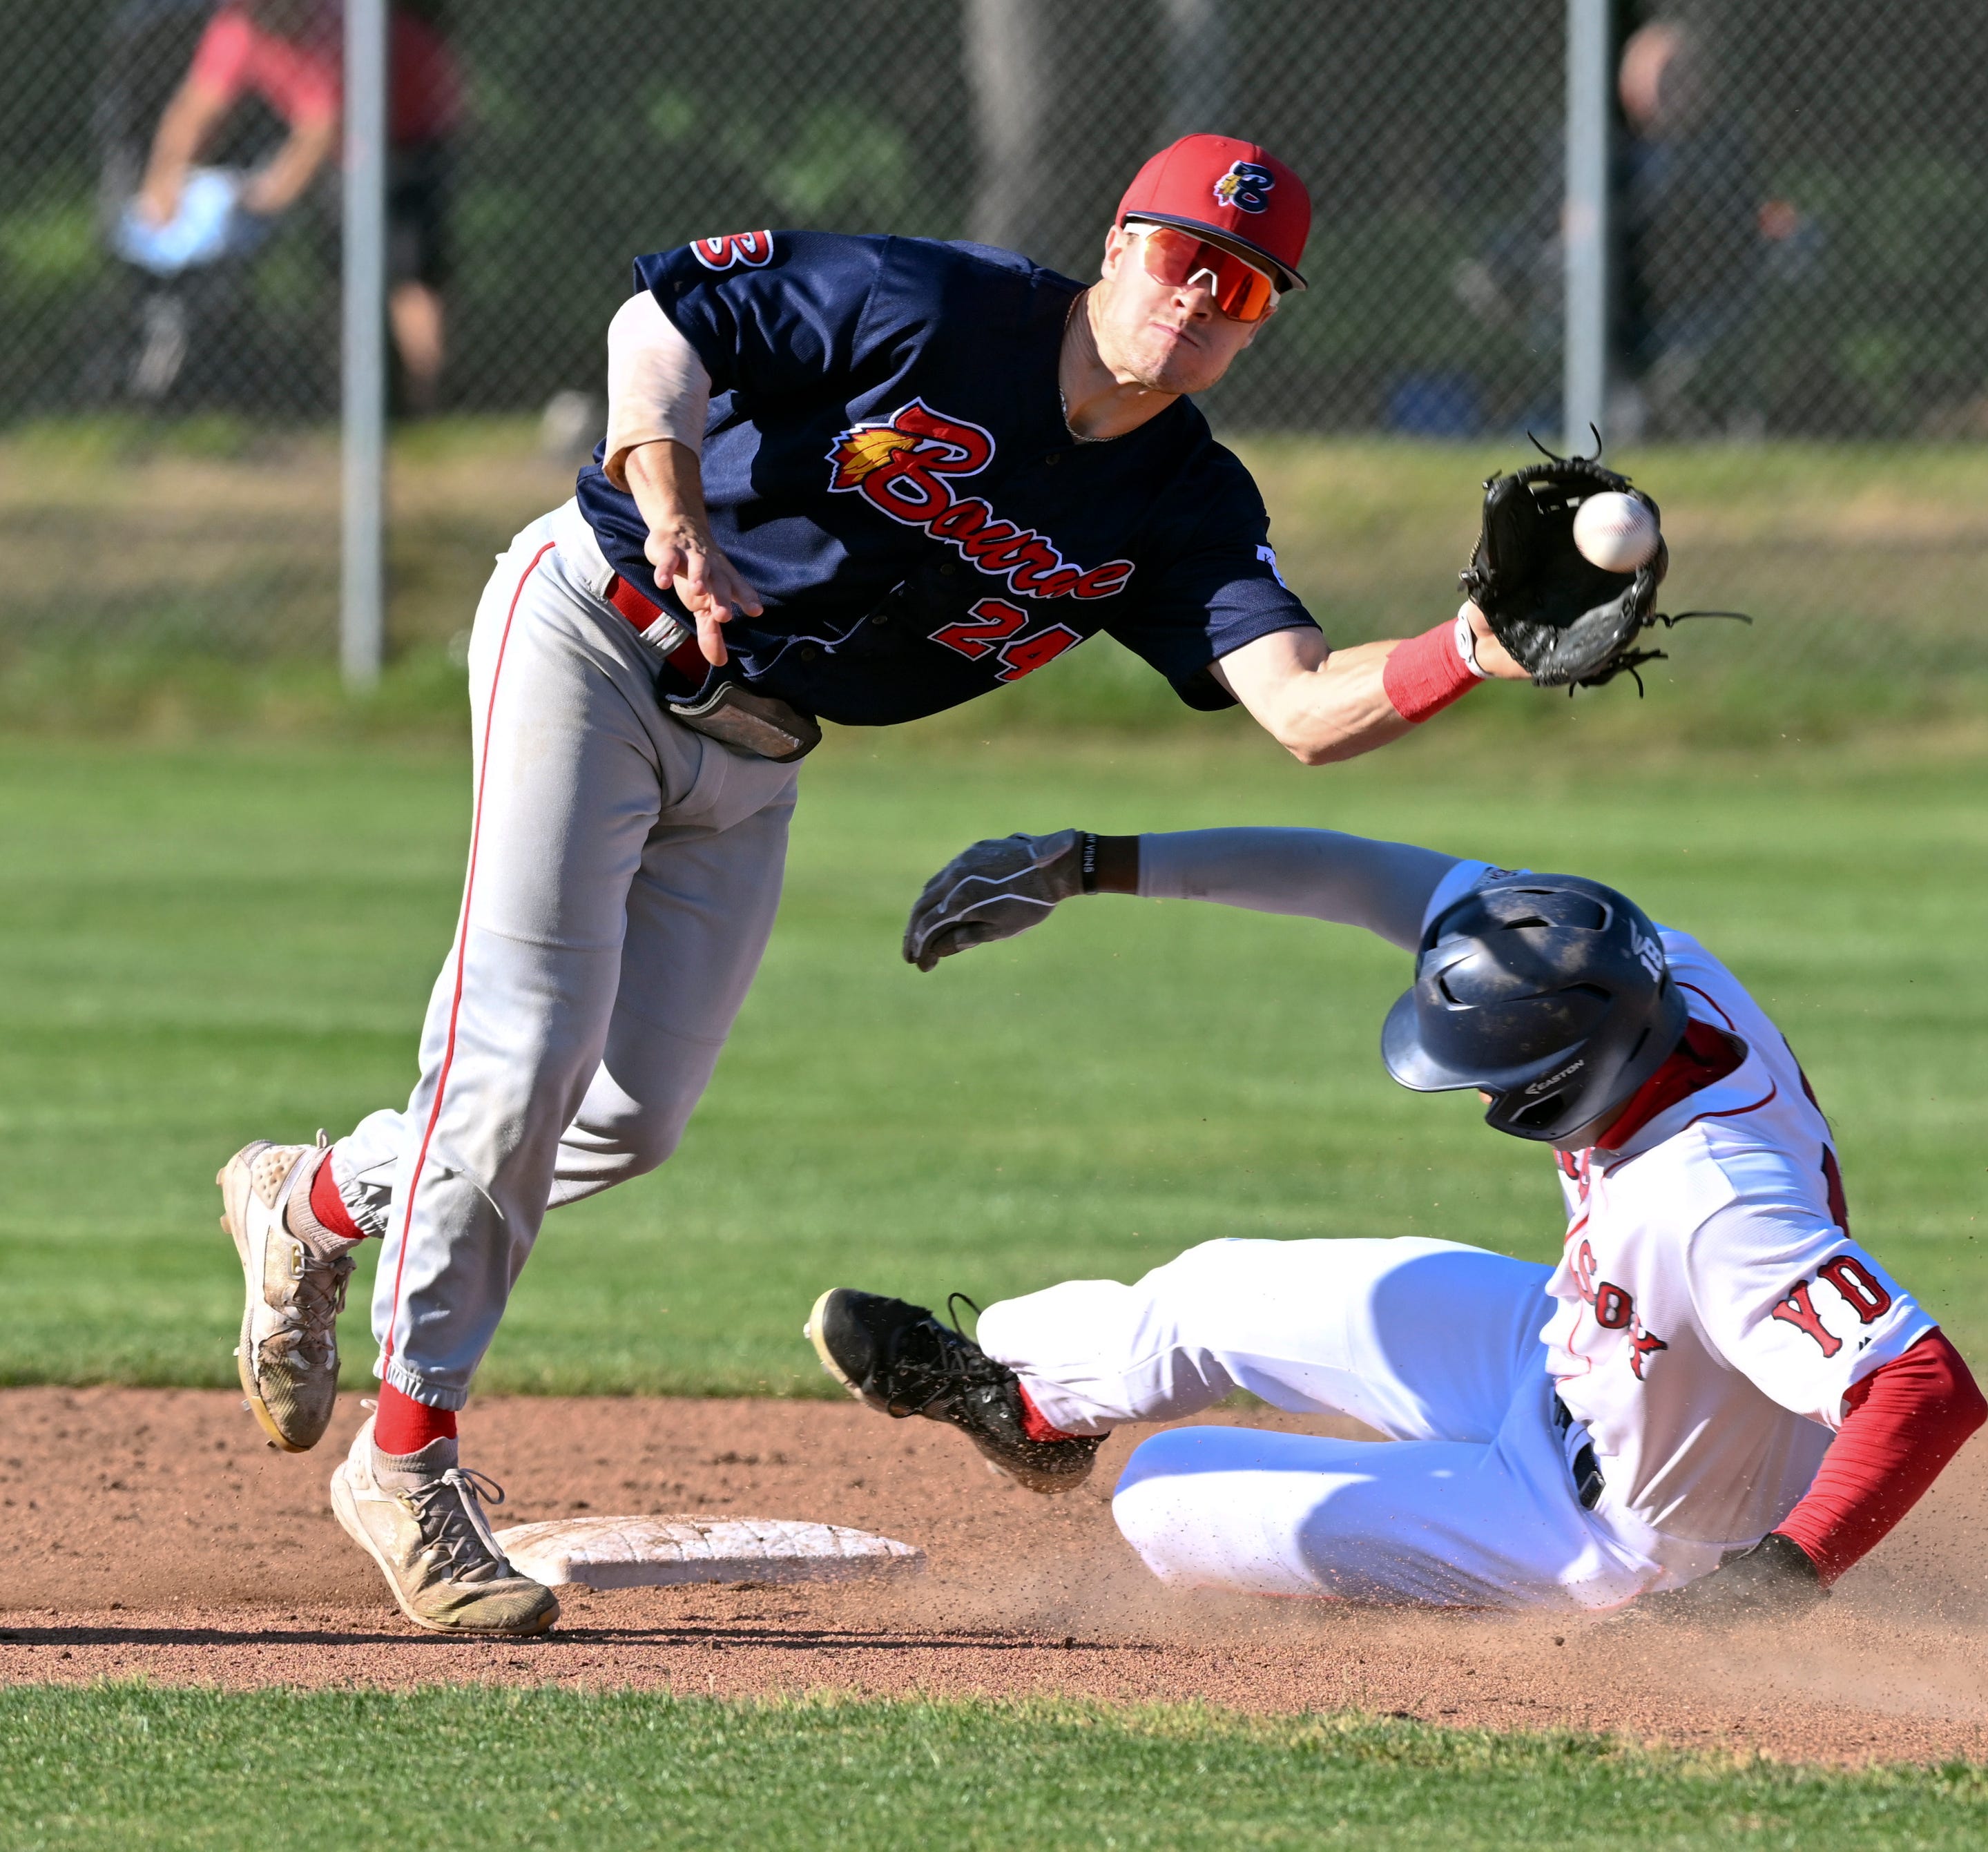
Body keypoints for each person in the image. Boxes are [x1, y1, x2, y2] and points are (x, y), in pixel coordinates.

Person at [215, 135, 1577, 1636]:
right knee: (518, 1055)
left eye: (1239, 285)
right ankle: (406, 1462)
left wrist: (1478, 650)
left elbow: (1303, 707)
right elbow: (659, 327)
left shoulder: (1179, 502)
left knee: (623, 1116)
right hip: (594, 640)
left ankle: (316, 1199)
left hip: (758, 748)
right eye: (1182, 254)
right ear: (1120, 244)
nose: (1198, 297)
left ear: (1258, 324)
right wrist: (665, 499)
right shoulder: (925, 305)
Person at [807, 828, 1987, 1615]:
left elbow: (1922, 1385)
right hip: (1579, 1350)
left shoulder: (1711, 1202)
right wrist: (1091, 862)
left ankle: (1450, 1527)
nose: (1468, 1087)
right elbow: (1361, 877)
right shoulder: (1641, 967)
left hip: (1635, 1534)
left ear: (1568, 1070)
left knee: (1161, 1492)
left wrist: (1765, 1588)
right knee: (1210, 1290)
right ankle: (1024, 1405)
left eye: (1484, 1069)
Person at [135, 0, 461, 413]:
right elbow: (197, 108)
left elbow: (319, 129)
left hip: (412, 130)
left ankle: (426, 403)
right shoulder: (235, 29)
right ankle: (362, 408)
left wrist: (270, 194)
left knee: (410, 274)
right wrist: (163, 180)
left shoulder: (330, 22)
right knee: (348, 271)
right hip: (350, 148)